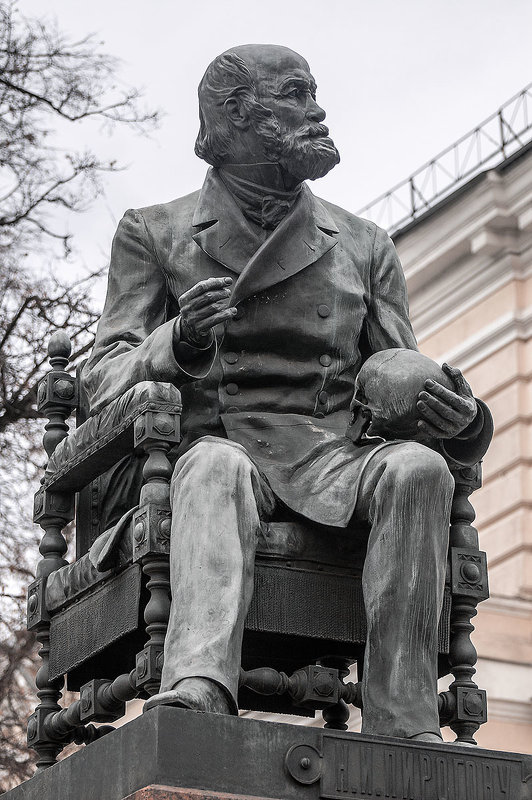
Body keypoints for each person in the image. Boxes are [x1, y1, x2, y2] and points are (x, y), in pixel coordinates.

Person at [82, 44, 492, 743]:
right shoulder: (157, 232)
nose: (318, 108)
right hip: (220, 446)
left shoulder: (362, 244)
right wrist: (177, 340)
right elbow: (101, 381)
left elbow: (396, 367)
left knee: (419, 468)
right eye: (296, 93)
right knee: (213, 467)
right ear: (240, 114)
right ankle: (199, 686)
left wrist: (460, 418)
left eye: (313, 91)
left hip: (330, 454)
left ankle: (403, 720)